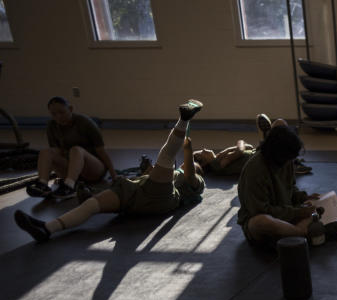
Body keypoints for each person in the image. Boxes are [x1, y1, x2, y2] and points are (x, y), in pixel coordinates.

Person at [14, 100, 206, 242]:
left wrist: (189, 151)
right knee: (90, 206)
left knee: (166, 155)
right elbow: (151, 175)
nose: (187, 164)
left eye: (195, 164)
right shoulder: (171, 176)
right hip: (135, 192)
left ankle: (184, 118)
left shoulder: (196, 182)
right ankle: (47, 229)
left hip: (161, 198)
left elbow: (189, 172)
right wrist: (146, 169)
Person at [236, 123, 337, 250]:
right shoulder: (255, 170)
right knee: (261, 221)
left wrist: (304, 198)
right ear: (278, 154)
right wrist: (298, 212)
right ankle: (302, 233)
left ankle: (294, 235)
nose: (290, 162)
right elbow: (261, 211)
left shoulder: (286, 161)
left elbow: (290, 189)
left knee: (331, 218)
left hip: (288, 215)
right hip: (265, 222)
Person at [26, 96, 119, 200]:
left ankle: (70, 186)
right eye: (54, 114)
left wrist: (114, 175)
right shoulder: (52, 126)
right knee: (45, 152)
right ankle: (42, 184)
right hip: (72, 169)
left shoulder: (84, 122)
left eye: (62, 112)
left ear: (70, 109)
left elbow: (101, 151)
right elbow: (56, 152)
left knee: (76, 149)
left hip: (93, 169)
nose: (58, 117)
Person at [193, 114, 311, 177]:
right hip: (260, 158)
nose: (203, 149)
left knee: (280, 124)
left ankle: (270, 140)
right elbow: (240, 151)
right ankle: (267, 139)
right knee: (280, 124)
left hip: (256, 154)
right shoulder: (217, 164)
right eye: (201, 153)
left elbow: (245, 149)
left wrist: (243, 147)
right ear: (204, 162)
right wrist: (241, 142)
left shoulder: (219, 158)